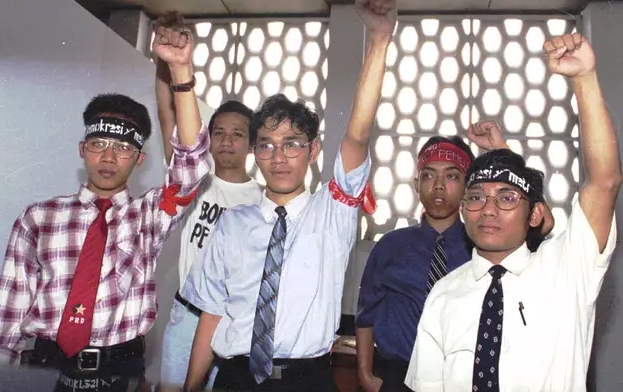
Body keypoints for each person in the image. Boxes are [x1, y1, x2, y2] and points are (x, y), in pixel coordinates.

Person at [0, 22, 211, 392]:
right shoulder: (38, 219)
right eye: (98, 143)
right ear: (81, 149)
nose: (108, 156)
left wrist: (181, 73)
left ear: (138, 159)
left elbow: (191, 167)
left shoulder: (149, 215)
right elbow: (7, 320)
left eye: (122, 148)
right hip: (43, 370)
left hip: (119, 374)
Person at [181, 0, 396, 390]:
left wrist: (379, 39)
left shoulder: (332, 212)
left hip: (306, 380)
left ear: (313, 151)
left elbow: (357, 135)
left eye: (292, 144)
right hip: (235, 378)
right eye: (266, 145)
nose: (278, 157)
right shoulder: (231, 225)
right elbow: (211, 317)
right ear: (254, 152)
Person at [405, 33, 621, 392]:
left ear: (535, 215)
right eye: (475, 198)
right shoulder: (443, 294)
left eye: (506, 199)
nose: (488, 209)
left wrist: (583, 79)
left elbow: (605, 182)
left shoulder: (566, 271)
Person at [355, 122, 555, 392]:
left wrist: (501, 153)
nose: (438, 186)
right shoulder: (390, 246)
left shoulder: (487, 246)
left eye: (451, 176)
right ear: (416, 184)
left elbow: (542, 221)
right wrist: (367, 377)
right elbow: (366, 314)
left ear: (468, 186)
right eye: (428, 176)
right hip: (396, 375)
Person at [153, 12, 262, 392]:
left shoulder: (263, 200)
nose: (227, 141)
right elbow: (168, 112)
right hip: (187, 315)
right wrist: (166, 61)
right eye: (218, 133)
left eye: (238, 134)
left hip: (234, 324)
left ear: (252, 145)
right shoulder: (194, 181)